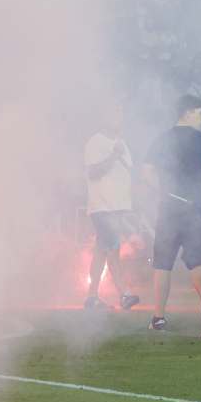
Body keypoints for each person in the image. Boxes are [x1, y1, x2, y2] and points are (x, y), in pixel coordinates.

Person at [141, 95, 201, 331]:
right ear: (187, 113)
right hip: (195, 209)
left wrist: (162, 190)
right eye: (200, 112)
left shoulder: (162, 139)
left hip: (168, 209)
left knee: (163, 263)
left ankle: (158, 318)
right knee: (197, 259)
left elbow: (146, 173)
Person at [83, 103, 141, 311]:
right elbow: (93, 172)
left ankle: (91, 298)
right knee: (113, 248)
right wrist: (114, 155)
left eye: (121, 112)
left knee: (102, 251)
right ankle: (124, 294)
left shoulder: (122, 143)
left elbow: (126, 175)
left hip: (118, 207)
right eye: (114, 113)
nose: (119, 117)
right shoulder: (95, 142)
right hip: (103, 207)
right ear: (104, 117)